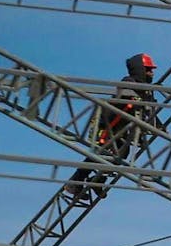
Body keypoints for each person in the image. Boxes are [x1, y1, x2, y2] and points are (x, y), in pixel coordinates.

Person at [64, 53, 160, 199]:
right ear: (139, 70)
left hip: (119, 129)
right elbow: (131, 106)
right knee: (101, 153)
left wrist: (158, 126)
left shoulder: (144, 91)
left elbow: (148, 110)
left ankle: (98, 180)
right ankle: (75, 183)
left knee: (122, 154)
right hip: (106, 124)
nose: (151, 73)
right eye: (148, 70)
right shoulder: (128, 84)